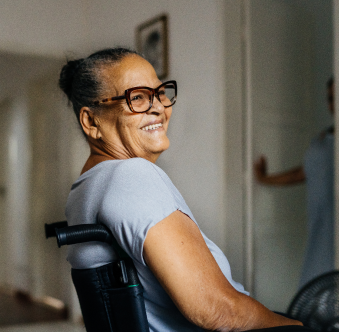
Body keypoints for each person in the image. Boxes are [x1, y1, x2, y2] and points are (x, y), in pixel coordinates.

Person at [59, 48, 308, 331]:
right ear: (91, 122)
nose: (159, 107)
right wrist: (298, 326)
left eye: (160, 92)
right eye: (137, 97)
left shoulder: (85, 187)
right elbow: (217, 310)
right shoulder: (131, 175)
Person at [254, 77, 335, 288]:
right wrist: (265, 178)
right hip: (319, 229)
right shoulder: (323, 137)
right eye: (330, 98)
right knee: (315, 291)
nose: (333, 103)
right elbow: (305, 172)